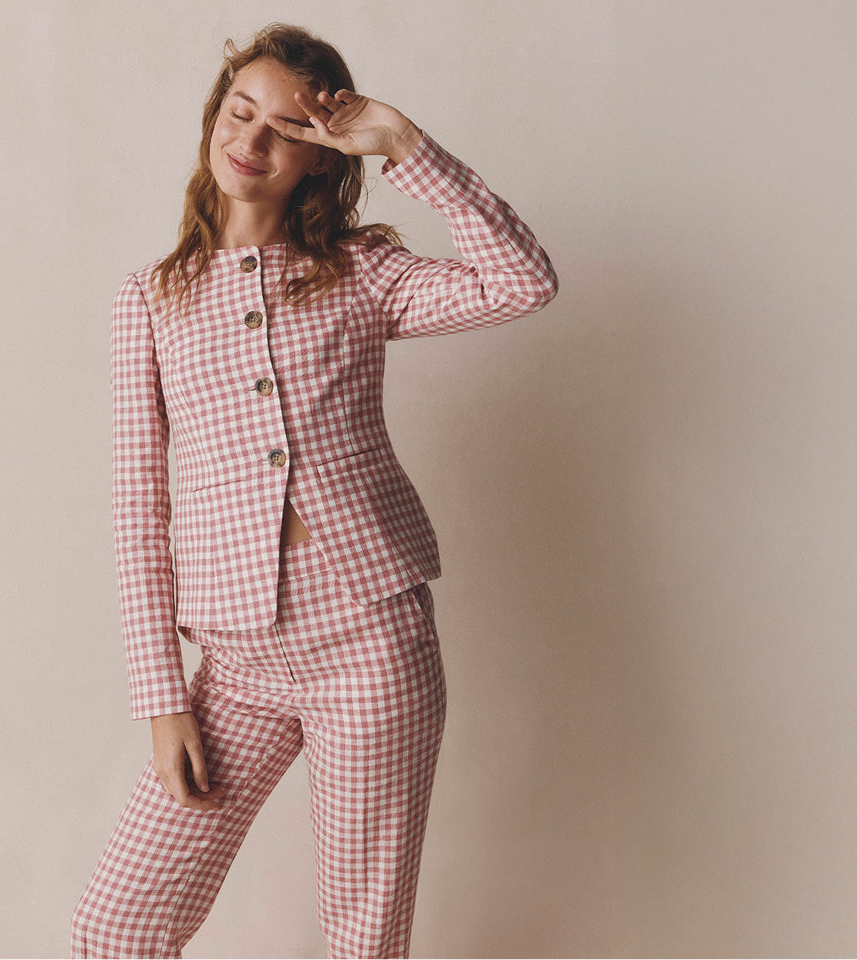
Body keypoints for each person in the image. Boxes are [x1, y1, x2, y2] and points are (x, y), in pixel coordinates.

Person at [71, 22, 558, 960]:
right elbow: (139, 508)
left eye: (286, 130)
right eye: (239, 111)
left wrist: (410, 150)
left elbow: (522, 282)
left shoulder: (363, 274)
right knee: (117, 928)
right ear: (214, 116)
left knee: (361, 940)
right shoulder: (151, 299)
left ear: (321, 158)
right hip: (236, 669)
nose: (251, 140)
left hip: (371, 642)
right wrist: (161, 695)